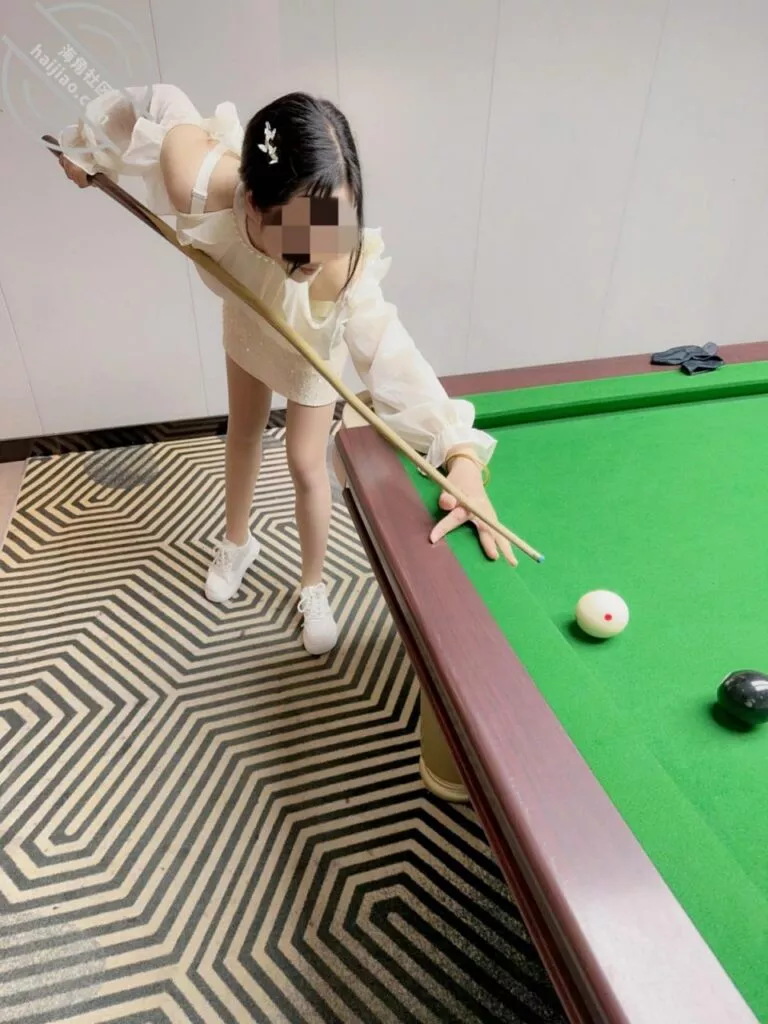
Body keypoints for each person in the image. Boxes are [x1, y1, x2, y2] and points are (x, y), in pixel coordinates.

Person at [56, 83, 514, 656]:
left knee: (304, 461)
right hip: (247, 314)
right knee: (243, 432)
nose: (324, 248)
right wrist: (87, 146)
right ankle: (237, 542)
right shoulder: (193, 179)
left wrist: (460, 455)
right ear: (252, 205)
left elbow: (389, 350)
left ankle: (313, 584)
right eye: (303, 237)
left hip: (310, 340)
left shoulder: (336, 264)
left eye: (337, 223)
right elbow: (158, 100)